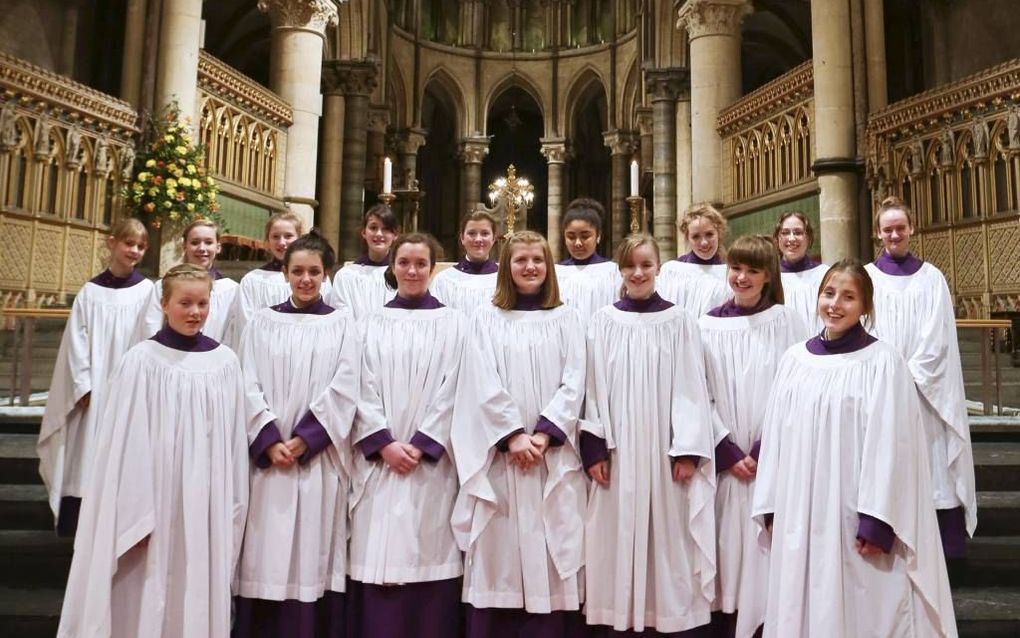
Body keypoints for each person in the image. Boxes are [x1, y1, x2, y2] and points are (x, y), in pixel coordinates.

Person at [752, 259, 958, 637]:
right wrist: (770, 505)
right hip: (803, 511)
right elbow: (777, 437)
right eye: (829, 294)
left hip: (858, 515)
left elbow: (893, 446)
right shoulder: (795, 361)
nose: (835, 304)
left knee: (866, 608)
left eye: (848, 297)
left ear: (865, 306)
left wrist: (879, 520)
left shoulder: (883, 362)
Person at [56, 264, 249, 637]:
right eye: (185, 303)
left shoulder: (225, 363)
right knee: (147, 587)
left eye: (203, 303)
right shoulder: (141, 361)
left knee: (194, 582)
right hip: (153, 499)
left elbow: (232, 448)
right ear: (164, 304)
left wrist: (229, 506)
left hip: (203, 498)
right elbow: (122, 445)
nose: (195, 312)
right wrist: (133, 513)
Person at [452, 231, 587, 637]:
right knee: (500, 552)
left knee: (552, 542)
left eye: (538, 260)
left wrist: (544, 435)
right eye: (520, 260)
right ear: (506, 268)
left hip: (551, 457)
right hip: (503, 458)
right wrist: (512, 436)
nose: (530, 267)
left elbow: (575, 380)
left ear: (549, 266)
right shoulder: (486, 317)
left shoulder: (567, 316)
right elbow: (481, 379)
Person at [582, 233, 716, 636]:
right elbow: (592, 386)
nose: (638, 273)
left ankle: (668, 620)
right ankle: (620, 618)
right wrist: (595, 448)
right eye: (630, 266)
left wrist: (688, 449)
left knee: (670, 537)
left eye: (646, 265)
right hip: (619, 449)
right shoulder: (604, 320)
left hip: (665, 450)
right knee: (614, 533)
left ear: (660, 267)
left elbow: (692, 387)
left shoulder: (679, 321)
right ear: (620, 270)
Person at [233, 231, 360, 638]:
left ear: (327, 276)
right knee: (264, 550)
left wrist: (306, 438)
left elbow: (346, 384)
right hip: (269, 463)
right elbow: (246, 382)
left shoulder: (342, 323)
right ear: (285, 273)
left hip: (316, 460)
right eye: (298, 271)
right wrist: (269, 438)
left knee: (312, 550)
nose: (306, 279)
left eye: (314, 272)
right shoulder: (262, 321)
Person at [346, 233, 466, 638]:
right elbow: (357, 384)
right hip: (382, 462)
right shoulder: (368, 322)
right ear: (392, 267)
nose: (412, 271)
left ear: (433, 269)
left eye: (421, 264)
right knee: (379, 554)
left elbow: (457, 387)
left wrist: (423, 443)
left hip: (431, 465)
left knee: (428, 549)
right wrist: (383, 443)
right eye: (404, 263)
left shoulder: (454, 323)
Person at [698, 235, 807, 638]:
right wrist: (726, 450)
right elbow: (697, 393)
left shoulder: (787, 321)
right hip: (726, 466)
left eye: (752, 270)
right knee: (727, 554)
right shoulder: (705, 324)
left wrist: (763, 450)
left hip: (770, 464)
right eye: (736, 269)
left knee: (769, 553)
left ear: (767, 276)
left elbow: (795, 391)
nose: (741, 277)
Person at [864, 196, 976, 558]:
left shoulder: (932, 278)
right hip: (880, 391)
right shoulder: (866, 277)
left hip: (926, 395)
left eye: (900, 228)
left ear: (911, 229)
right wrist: (886, 376)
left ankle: (942, 550)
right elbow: (865, 331)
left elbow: (938, 338)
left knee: (932, 465)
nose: (894, 234)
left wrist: (907, 377)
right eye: (888, 229)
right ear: (878, 233)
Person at [38, 217, 153, 537]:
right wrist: (82, 385)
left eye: (141, 246)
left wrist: (136, 384)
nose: (134, 250)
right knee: (86, 451)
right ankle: (81, 523)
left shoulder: (147, 291)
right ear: (111, 242)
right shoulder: (90, 292)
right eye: (129, 243)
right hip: (92, 391)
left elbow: (148, 340)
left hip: (127, 387)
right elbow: (77, 341)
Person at [229, 212, 333, 343]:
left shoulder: (317, 277)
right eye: (275, 237)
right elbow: (245, 326)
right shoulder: (253, 280)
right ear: (267, 241)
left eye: (288, 236)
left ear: (300, 238)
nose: (282, 242)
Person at [135, 218, 238, 342]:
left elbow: (232, 335)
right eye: (195, 242)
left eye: (208, 242)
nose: (202, 248)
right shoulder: (163, 286)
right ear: (184, 246)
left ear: (218, 247)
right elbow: (150, 327)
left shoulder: (231, 290)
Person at [554, 198, 621, 323]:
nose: (578, 243)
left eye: (585, 236)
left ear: (598, 235)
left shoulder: (612, 272)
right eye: (571, 237)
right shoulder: (556, 273)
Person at [659, 204, 730, 318]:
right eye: (696, 236)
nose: (704, 243)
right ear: (687, 238)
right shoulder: (672, 271)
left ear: (719, 233)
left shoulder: (730, 273)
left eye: (709, 234)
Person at [328, 204, 399, 319]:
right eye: (373, 228)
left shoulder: (402, 275)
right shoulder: (346, 275)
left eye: (386, 229)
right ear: (364, 232)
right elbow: (341, 317)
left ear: (395, 235)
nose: (379, 234)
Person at [431, 210, 500, 313]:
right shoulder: (444, 279)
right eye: (472, 233)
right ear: (462, 238)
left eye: (485, 233)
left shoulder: (503, 279)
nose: (478, 239)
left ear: (493, 238)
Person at [773, 211, 827, 333]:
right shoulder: (770, 278)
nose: (791, 238)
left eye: (798, 232)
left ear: (808, 237)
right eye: (785, 233)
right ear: (777, 238)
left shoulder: (824, 274)